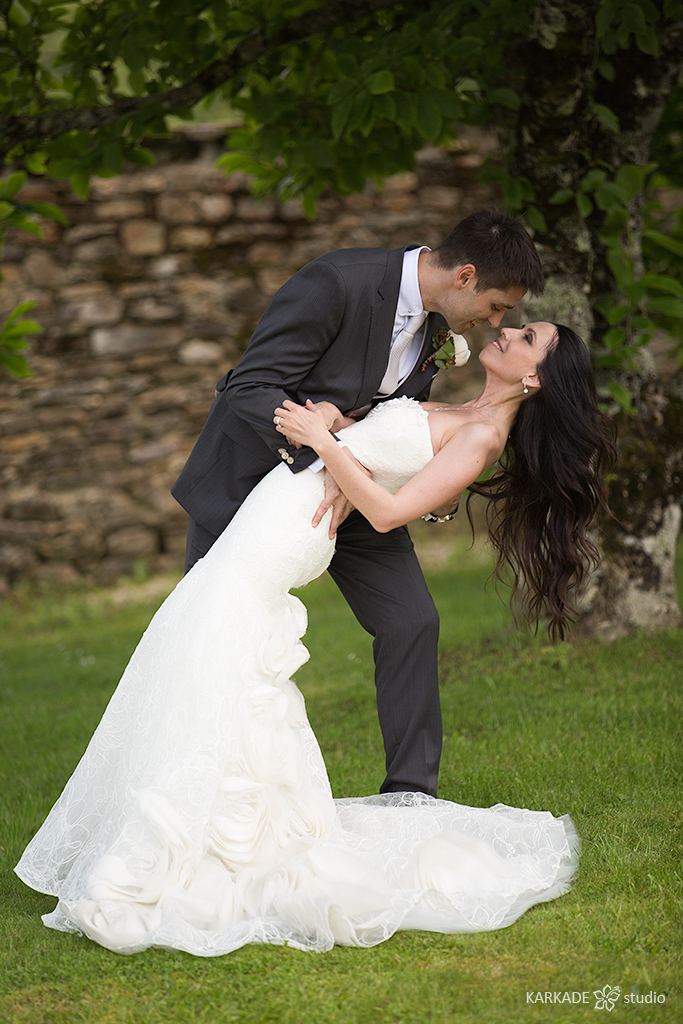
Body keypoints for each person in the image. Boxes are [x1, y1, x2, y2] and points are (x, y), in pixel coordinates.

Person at [15, 319, 614, 956]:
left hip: (289, 529)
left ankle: (177, 849)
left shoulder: (483, 435)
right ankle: (208, 831)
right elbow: (378, 450)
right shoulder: (457, 405)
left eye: (527, 336)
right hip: (279, 508)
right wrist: (337, 422)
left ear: (533, 376)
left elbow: (387, 513)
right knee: (211, 656)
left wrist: (321, 441)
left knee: (213, 647)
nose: (507, 329)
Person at [171, 207, 545, 800]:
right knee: (208, 634)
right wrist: (321, 450)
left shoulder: (439, 326)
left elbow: (385, 418)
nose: (494, 322)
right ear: (466, 276)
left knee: (411, 620)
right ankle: (195, 791)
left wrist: (351, 459)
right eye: (497, 306)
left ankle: (410, 793)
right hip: (250, 485)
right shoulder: (337, 283)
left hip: (353, 490)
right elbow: (249, 387)